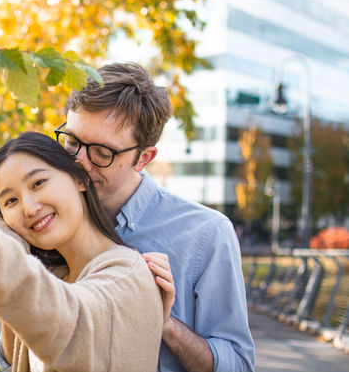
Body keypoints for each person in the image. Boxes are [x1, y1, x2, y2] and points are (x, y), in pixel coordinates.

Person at [0, 132, 165, 371]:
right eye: (11, 200)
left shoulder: (127, 275)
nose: (29, 208)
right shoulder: (56, 273)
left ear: (80, 179)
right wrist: (3, 239)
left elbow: (70, 325)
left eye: (38, 183)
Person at [51, 62, 255, 372]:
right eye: (71, 143)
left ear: (143, 158)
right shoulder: (45, 215)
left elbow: (239, 366)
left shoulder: (207, 234)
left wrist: (165, 324)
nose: (78, 163)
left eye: (102, 153)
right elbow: (8, 360)